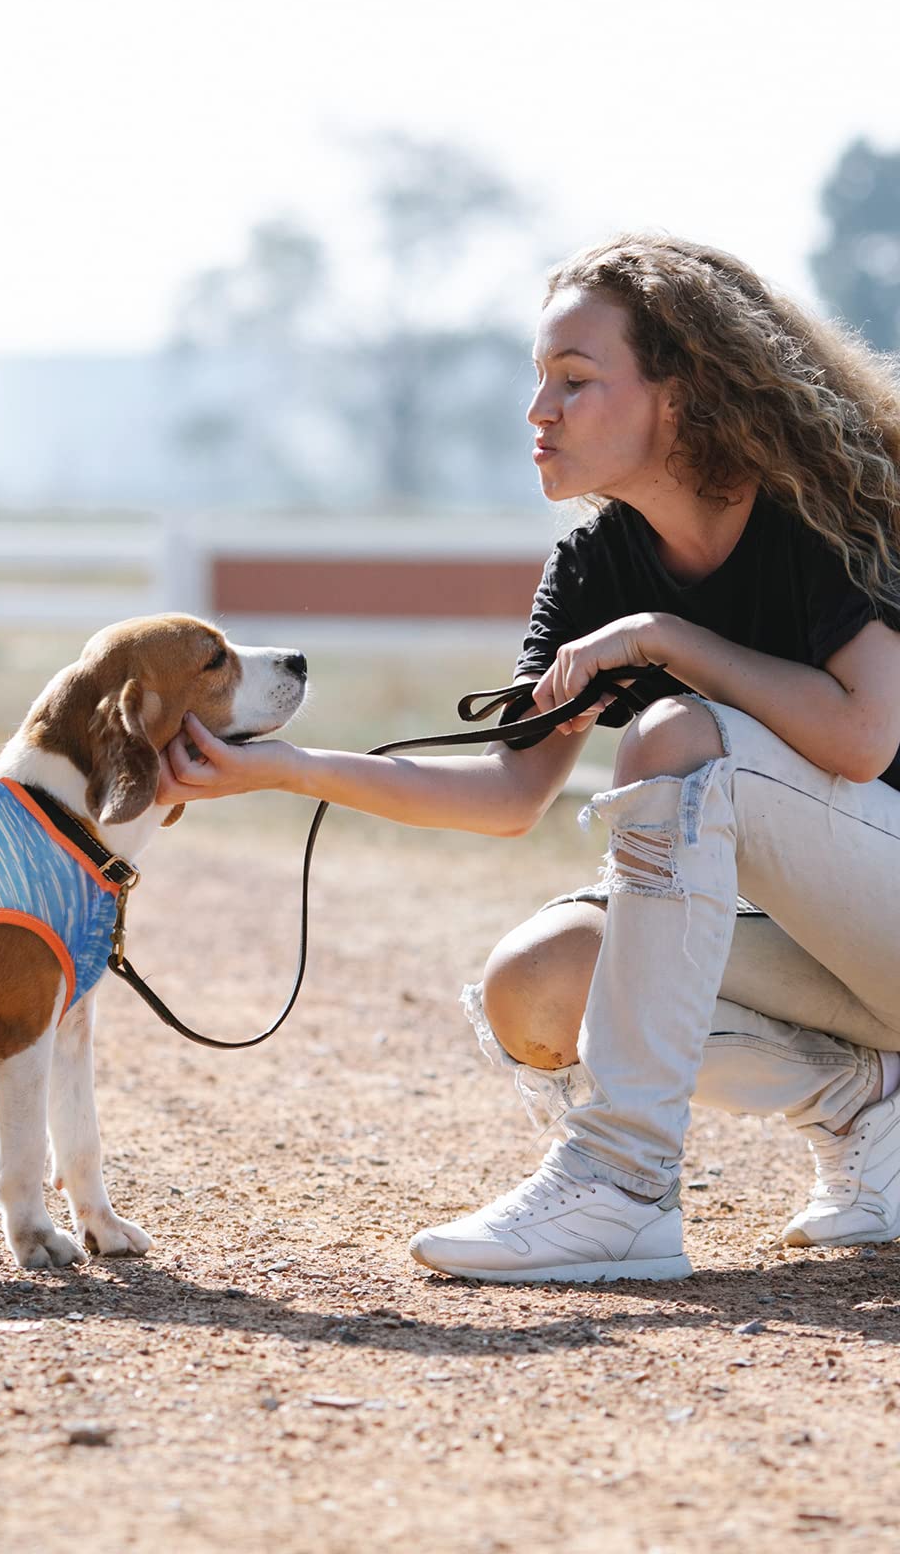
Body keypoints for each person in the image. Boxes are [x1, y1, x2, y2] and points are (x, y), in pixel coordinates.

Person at [155, 233, 900, 1284]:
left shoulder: (813, 512)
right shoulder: (597, 565)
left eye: (575, 380)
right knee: (536, 985)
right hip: (844, 958)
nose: (536, 410)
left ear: (677, 397)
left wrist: (668, 642)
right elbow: (511, 793)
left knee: (671, 735)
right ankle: (871, 1106)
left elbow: (862, 737)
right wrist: (288, 768)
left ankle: (620, 1184)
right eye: (538, 378)